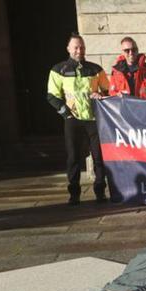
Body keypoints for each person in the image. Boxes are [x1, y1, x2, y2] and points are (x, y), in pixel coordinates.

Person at [46, 33, 110, 205]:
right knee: (73, 157)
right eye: (75, 47)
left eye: (81, 47)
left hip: (93, 119)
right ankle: (74, 193)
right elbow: (52, 95)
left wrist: (101, 94)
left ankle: (100, 191)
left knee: (99, 157)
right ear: (68, 49)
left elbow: (108, 91)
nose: (79, 50)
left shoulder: (95, 69)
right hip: (72, 119)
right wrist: (65, 113)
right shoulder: (58, 69)